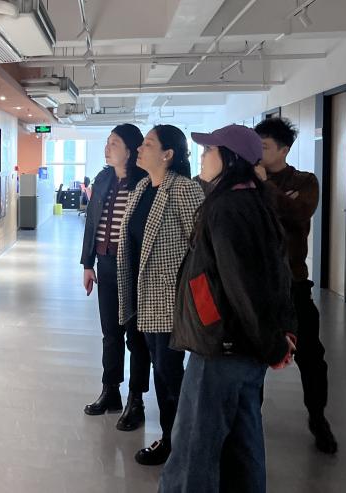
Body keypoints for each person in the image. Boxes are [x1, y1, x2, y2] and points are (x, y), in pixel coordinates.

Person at [159, 124, 297, 492]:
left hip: (221, 347)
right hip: (246, 348)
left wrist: (273, 344)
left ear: (230, 158)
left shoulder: (226, 208)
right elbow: (278, 275)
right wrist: (279, 336)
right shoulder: (254, 200)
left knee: (193, 449)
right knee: (243, 446)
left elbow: (242, 284)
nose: (202, 157)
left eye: (209, 150)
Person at [116, 125, 204, 465]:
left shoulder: (183, 189)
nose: (140, 149)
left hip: (171, 300)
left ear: (168, 154)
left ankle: (179, 443)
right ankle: (174, 438)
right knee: (161, 370)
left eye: (148, 144)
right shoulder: (142, 187)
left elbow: (202, 246)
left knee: (170, 374)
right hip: (143, 299)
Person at [255, 117, 338, 453]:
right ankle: (250, 418)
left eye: (264, 147)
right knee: (253, 356)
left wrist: (266, 187)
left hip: (294, 283)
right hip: (258, 285)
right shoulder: (248, 180)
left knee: (312, 357)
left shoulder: (304, 181)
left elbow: (299, 212)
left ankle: (318, 418)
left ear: (284, 150)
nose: (258, 153)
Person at [80, 124, 151, 432]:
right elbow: (92, 223)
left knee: (136, 337)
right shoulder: (103, 179)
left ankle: (137, 399)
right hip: (105, 264)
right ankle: (111, 391)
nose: (107, 148)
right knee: (110, 333)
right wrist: (88, 263)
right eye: (107, 142)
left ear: (130, 150)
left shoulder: (144, 183)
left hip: (133, 268)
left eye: (114, 143)